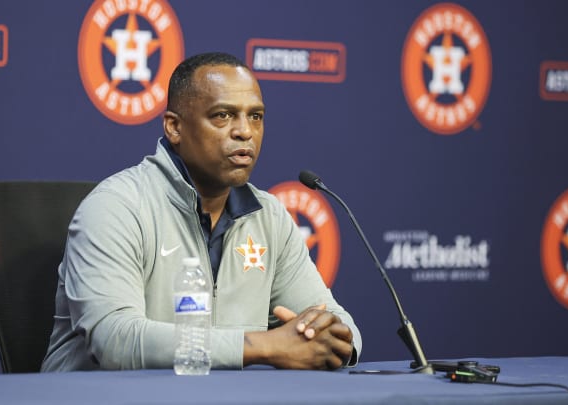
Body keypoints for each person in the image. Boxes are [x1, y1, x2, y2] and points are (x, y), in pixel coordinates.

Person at [41, 52, 361, 372]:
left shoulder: (270, 217)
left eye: (256, 116)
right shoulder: (116, 207)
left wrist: (326, 336)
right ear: (174, 128)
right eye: (223, 116)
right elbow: (115, 341)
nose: (245, 132)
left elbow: (342, 325)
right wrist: (265, 346)